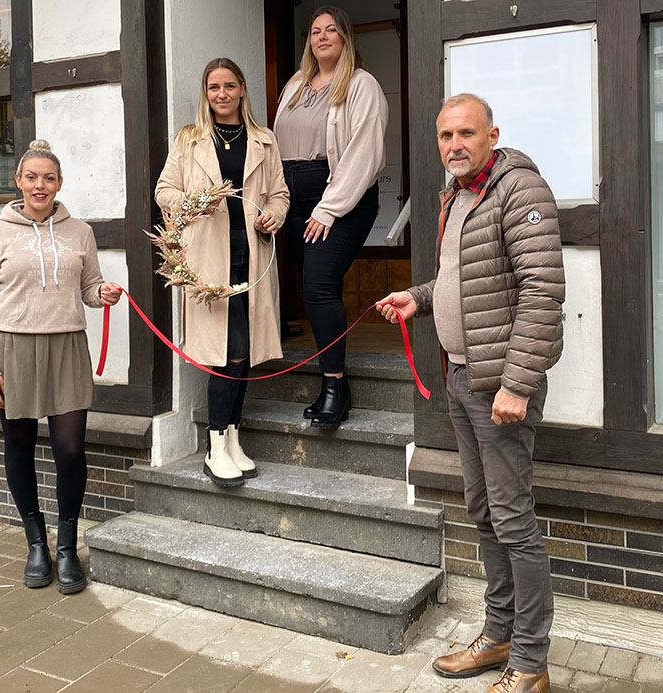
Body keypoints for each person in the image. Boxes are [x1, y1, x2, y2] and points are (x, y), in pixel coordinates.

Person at [377, 94, 565, 693]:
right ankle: (499, 634)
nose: (453, 145)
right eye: (443, 136)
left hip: (499, 387)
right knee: (485, 514)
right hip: (462, 377)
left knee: (513, 521)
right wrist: (420, 297)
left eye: (465, 133)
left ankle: (531, 663)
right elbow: (466, 280)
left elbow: (542, 291)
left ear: (492, 135)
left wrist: (516, 383)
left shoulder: (520, 191)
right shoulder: (458, 196)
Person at [0, 139, 123, 595]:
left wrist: (103, 295)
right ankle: (36, 542)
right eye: (31, 177)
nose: (40, 185)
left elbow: (89, 288)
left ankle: (68, 547)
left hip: (67, 347)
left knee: (70, 449)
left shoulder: (80, 232)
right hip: (11, 349)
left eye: (48, 178)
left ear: (59, 184)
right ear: (18, 181)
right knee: (19, 445)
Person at [156, 58, 289, 487]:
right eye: (214, 87)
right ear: (205, 92)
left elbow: (280, 194)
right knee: (225, 353)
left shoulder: (264, 140)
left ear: (242, 88)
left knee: (244, 352)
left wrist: (272, 214)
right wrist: (198, 200)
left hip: (250, 255)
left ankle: (232, 438)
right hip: (208, 259)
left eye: (229, 85)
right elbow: (164, 191)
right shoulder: (189, 140)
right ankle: (215, 444)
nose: (221, 94)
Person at [274, 6, 388, 429]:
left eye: (331, 31)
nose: (322, 37)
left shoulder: (362, 85)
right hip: (296, 201)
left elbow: (364, 153)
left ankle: (335, 388)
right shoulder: (294, 86)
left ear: (345, 38)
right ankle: (334, 380)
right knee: (316, 287)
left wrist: (328, 206)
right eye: (315, 31)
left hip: (340, 199)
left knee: (319, 286)